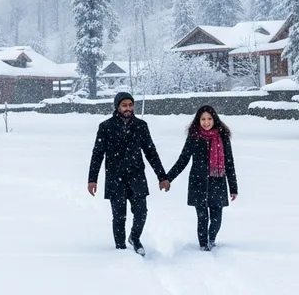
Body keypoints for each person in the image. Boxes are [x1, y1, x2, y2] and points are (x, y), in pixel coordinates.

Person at [87, 91, 170, 255]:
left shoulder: (141, 126)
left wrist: (162, 177)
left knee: (141, 212)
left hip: (137, 176)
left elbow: (150, 152)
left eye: (130, 105)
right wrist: (92, 179)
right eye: (124, 105)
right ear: (117, 107)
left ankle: (135, 237)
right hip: (115, 178)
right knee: (119, 216)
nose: (128, 108)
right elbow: (97, 154)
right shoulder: (106, 127)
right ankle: (120, 249)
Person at [166, 105, 238, 251]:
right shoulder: (194, 136)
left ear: (214, 119)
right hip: (198, 182)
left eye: (209, 119)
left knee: (217, 218)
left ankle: (211, 239)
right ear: (198, 120)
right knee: (202, 217)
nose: (206, 122)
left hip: (217, 181)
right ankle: (203, 245)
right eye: (203, 119)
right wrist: (168, 178)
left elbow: (229, 162)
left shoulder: (222, 137)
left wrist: (233, 187)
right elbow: (183, 160)